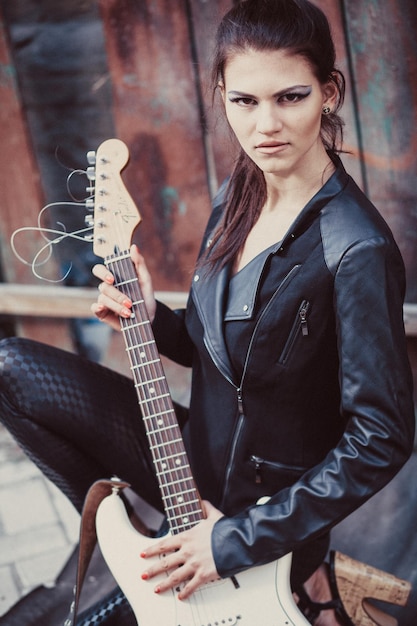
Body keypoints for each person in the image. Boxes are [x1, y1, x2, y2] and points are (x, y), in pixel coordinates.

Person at [0, 1, 414, 625]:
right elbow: (220, 350)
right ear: (220, 94)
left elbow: (380, 440)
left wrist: (231, 541)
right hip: (192, 455)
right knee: (12, 367)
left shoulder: (357, 251)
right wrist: (151, 319)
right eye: (244, 101)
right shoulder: (238, 194)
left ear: (329, 93)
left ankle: (293, 578)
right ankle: (131, 519)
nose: (266, 125)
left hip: (258, 515)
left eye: (290, 97)